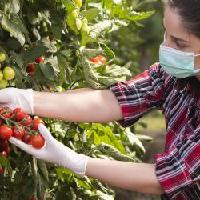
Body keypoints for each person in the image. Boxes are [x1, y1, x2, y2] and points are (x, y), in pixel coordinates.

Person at [1, 0, 200, 199]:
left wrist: (75, 161)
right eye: (166, 33)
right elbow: (115, 101)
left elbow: (167, 175)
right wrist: (26, 99)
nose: (166, 47)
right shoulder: (171, 76)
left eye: (179, 43)